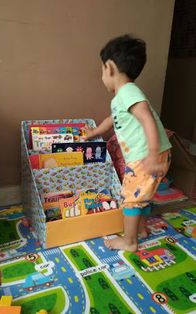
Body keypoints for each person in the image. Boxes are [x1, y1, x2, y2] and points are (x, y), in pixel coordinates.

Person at [85, 34, 171, 252]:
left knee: (130, 199)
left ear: (110, 68)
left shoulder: (128, 93)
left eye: (102, 70)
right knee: (142, 194)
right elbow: (111, 121)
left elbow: (146, 117)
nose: (102, 76)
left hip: (145, 156)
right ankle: (141, 230)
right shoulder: (122, 98)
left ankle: (129, 241)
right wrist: (93, 132)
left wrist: (152, 153)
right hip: (151, 154)